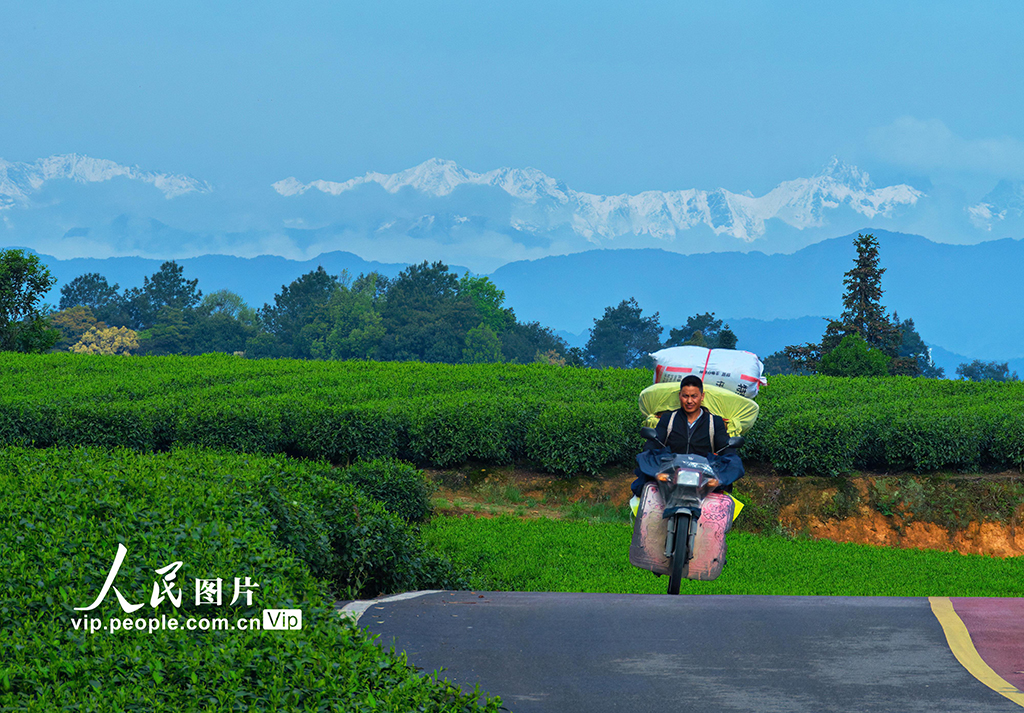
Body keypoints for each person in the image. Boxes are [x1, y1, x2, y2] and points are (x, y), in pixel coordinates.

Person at [630, 374, 743, 497]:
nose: (689, 401)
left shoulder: (714, 422)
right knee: (644, 457)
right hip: (671, 475)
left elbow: (726, 449)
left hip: (703, 478)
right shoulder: (668, 419)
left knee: (735, 462)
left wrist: (721, 475)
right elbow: (653, 444)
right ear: (680, 396)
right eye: (685, 396)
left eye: (694, 396)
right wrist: (655, 465)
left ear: (702, 396)